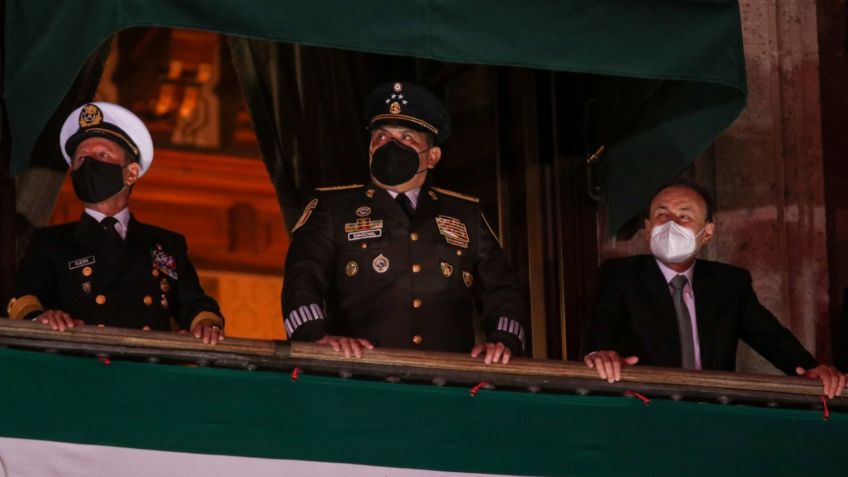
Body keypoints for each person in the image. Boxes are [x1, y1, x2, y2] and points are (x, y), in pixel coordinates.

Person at [282, 81, 526, 364]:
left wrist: (503, 341)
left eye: (407, 137)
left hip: (447, 380)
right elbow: (302, 279)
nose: (391, 145)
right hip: (358, 377)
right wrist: (315, 337)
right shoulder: (333, 208)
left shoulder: (465, 213)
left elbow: (501, 290)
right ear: (370, 148)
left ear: (432, 157)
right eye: (382, 137)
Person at [581, 180, 846, 398]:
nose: (671, 223)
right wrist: (598, 354)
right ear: (648, 229)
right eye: (661, 215)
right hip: (647, 410)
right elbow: (604, 324)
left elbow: (769, 335)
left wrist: (813, 369)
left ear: (707, 233)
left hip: (712, 412)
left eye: (684, 216)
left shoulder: (729, 283)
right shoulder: (622, 275)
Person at [7, 102, 225, 345]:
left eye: (101, 155)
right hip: (80, 367)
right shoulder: (51, 242)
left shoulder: (166, 244)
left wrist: (207, 324)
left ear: (131, 173)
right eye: (82, 158)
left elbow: (194, 304)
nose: (89, 164)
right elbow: (24, 297)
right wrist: (42, 318)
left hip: (146, 370)